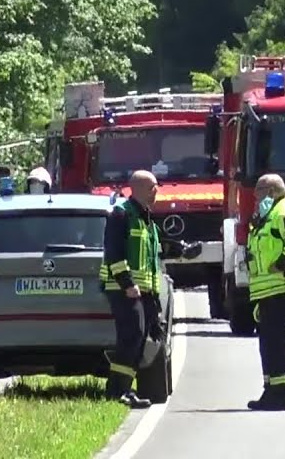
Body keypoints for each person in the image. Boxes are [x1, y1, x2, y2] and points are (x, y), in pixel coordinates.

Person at [100, 170, 164, 408]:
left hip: (142, 291)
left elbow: (150, 262)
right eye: (153, 187)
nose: (156, 191)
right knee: (131, 337)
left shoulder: (145, 218)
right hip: (123, 289)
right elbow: (114, 253)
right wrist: (127, 284)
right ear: (137, 189)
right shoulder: (121, 215)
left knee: (139, 338)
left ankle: (125, 389)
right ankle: (117, 390)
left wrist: (154, 302)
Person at [246, 173, 285, 410]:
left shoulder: (284, 211)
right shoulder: (268, 214)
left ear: (271, 191)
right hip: (267, 289)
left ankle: (282, 394)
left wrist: (281, 264)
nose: (255, 195)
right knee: (268, 342)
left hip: (281, 286)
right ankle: (270, 391)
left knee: (277, 341)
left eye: (259, 190)